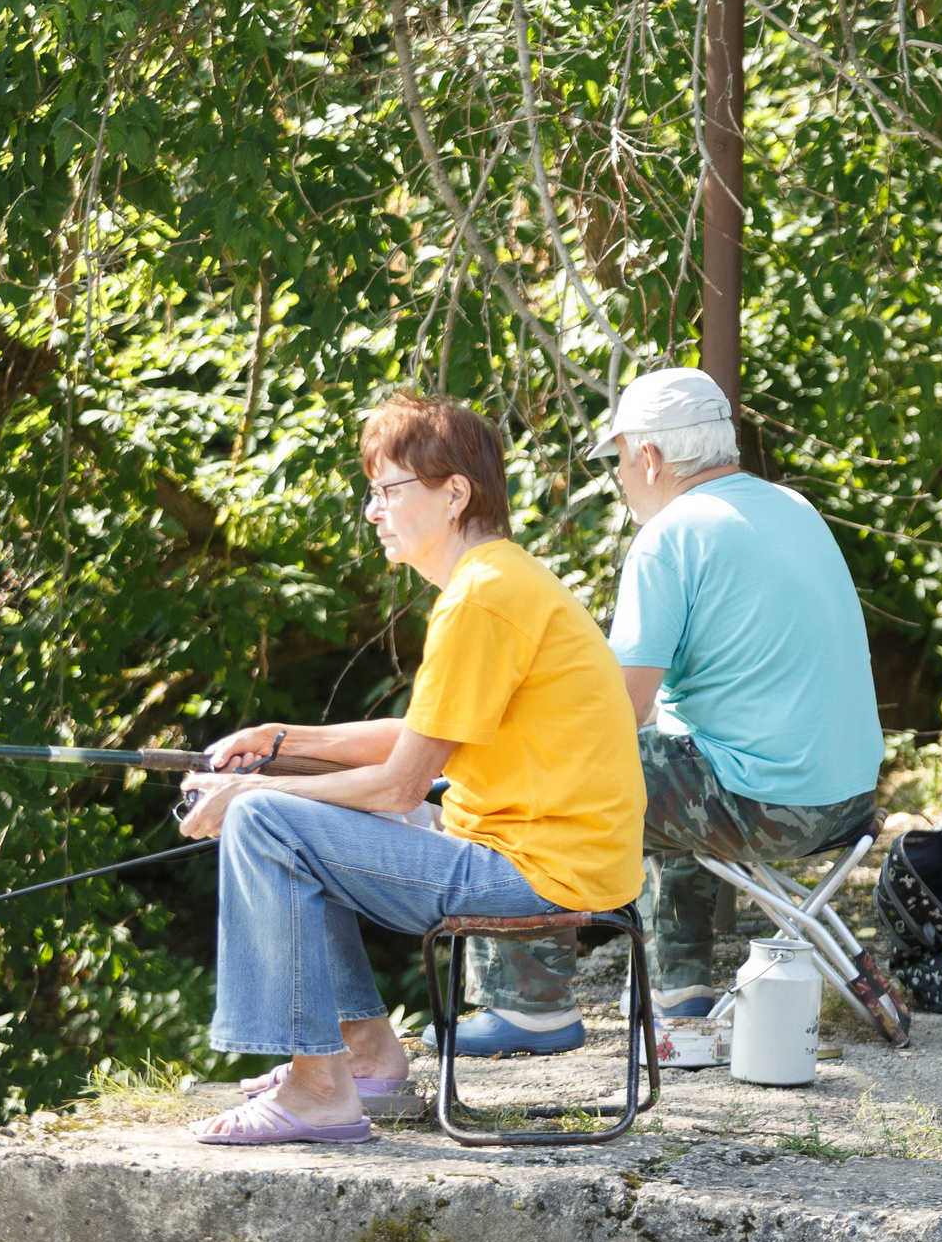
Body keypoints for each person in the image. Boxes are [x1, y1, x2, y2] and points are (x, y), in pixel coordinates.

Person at [181, 393, 644, 1143]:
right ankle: (363, 1055)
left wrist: (249, 789)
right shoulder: (499, 581)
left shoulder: (483, 598)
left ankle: (319, 1089)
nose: (373, 510)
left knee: (269, 822)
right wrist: (282, 737)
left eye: (388, 489)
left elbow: (401, 783)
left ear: (453, 492)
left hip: (539, 871)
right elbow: (425, 735)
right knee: (287, 817)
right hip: (557, 858)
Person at [432, 367, 885, 1052]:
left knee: (537, 769)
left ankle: (526, 1004)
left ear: (650, 457)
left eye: (619, 459)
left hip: (768, 806)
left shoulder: (671, 534)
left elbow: (615, 716)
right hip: (847, 800)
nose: (620, 477)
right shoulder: (792, 506)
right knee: (678, 754)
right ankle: (680, 988)